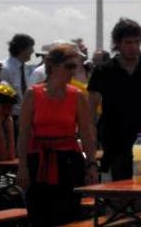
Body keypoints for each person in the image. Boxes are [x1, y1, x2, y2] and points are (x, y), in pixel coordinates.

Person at [17, 43, 98, 226]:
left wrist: (91, 164)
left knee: (67, 214)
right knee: (38, 214)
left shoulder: (77, 96)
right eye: (68, 66)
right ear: (52, 66)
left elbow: (86, 133)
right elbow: (23, 133)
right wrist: (22, 166)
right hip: (38, 159)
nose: (72, 71)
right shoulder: (33, 94)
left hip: (68, 160)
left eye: (75, 67)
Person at [87, 17, 141, 181]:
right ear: (118, 43)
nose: (133, 47)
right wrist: (91, 142)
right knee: (119, 185)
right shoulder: (103, 71)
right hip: (113, 137)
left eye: (137, 42)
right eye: (128, 42)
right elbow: (90, 109)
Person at [0, 33, 35, 129]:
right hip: (11, 119)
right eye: (31, 47)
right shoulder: (5, 69)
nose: (33, 51)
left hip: (24, 117)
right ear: (21, 49)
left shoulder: (25, 68)